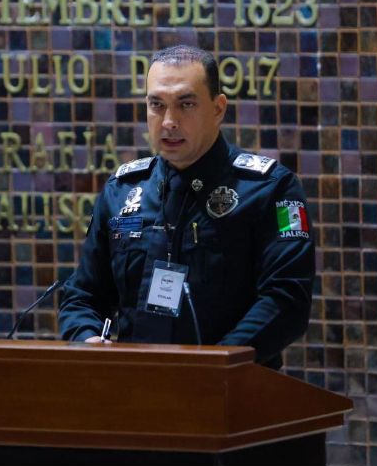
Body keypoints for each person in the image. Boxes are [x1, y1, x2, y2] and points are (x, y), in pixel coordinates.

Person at [58, 45, 315, 370]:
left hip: (228, 391)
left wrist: (213, 366)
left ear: (218, 108)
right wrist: (87, 339)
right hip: (132, 390)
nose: (168, 121)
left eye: (186, 104)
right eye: (157, 105)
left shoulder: (268, 189)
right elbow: (83, 296)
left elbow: (286, 302)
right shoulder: (123, 191)